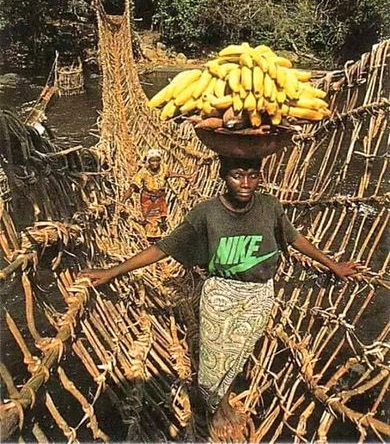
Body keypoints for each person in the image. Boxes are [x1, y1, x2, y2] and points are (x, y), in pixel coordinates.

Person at [82, 156, 358, 417]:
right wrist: (113, 272)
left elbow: (295, 239)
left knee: (238, 355)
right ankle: (215, 411)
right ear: (223, 176)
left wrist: (333, 265)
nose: (246, 184)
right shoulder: (207, 212)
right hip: (220, 292)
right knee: (213, 361)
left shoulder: (270, 206)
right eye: (237, 176)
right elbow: (164, 247)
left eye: (253, 176)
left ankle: (217, 403)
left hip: (259, 294)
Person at [122, 148, 192, 240]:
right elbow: (132, 187)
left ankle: (156, 237)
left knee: (161, 219)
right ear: (148, 162)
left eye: (157, 161)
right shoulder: (143, 173)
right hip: (148, 199)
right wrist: (123, 201)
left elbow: (169, 174)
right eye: (152, 161)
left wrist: (183, 176)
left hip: (160, 198)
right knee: (151, 220)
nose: (155, 163)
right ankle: (152, 241)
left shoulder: (163, 168)